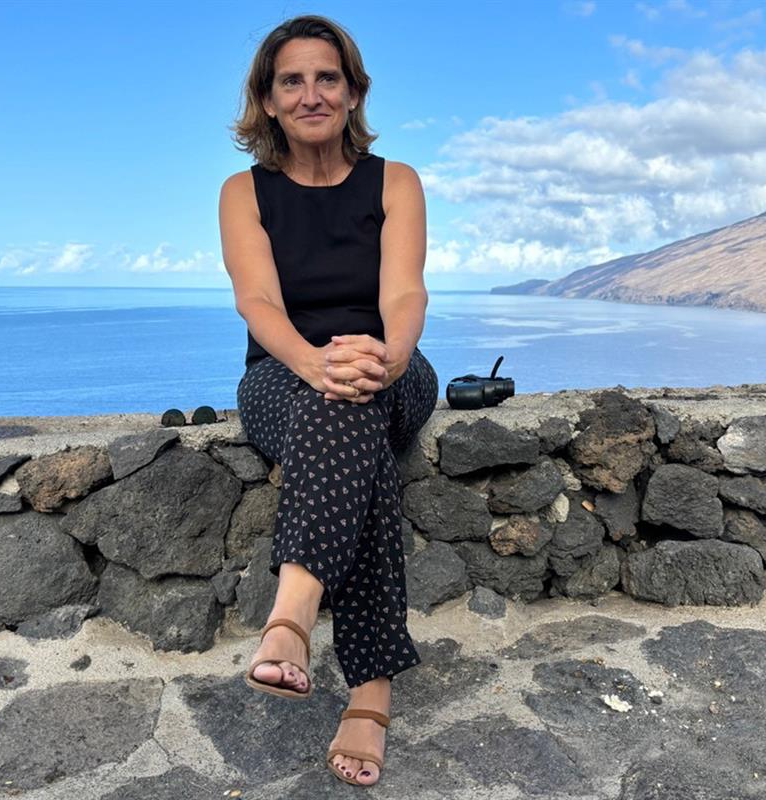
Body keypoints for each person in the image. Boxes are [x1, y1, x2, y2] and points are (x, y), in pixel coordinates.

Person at [221, 14, 439, 788]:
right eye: (292, 80)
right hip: (283, 373)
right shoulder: (244, 192)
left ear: (352, 92)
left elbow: (405, 290)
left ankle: (291, 619)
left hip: (393, 364)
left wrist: (388, 357)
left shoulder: (397, 181)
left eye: (327, 77)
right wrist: (317, 365)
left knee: (355, 399)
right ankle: (370, 692)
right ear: (269, 101)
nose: (311, 93)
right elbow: (259, 304)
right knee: (345, 421)